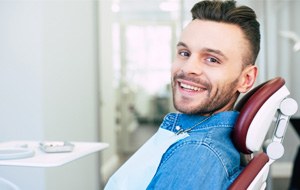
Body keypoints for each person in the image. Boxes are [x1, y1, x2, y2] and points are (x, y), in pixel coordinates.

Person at [105, 0, 260, 189]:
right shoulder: (194, 139)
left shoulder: (196, 154)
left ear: (246, 79)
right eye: (184, 53)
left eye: (212, 59)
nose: (188, 68)